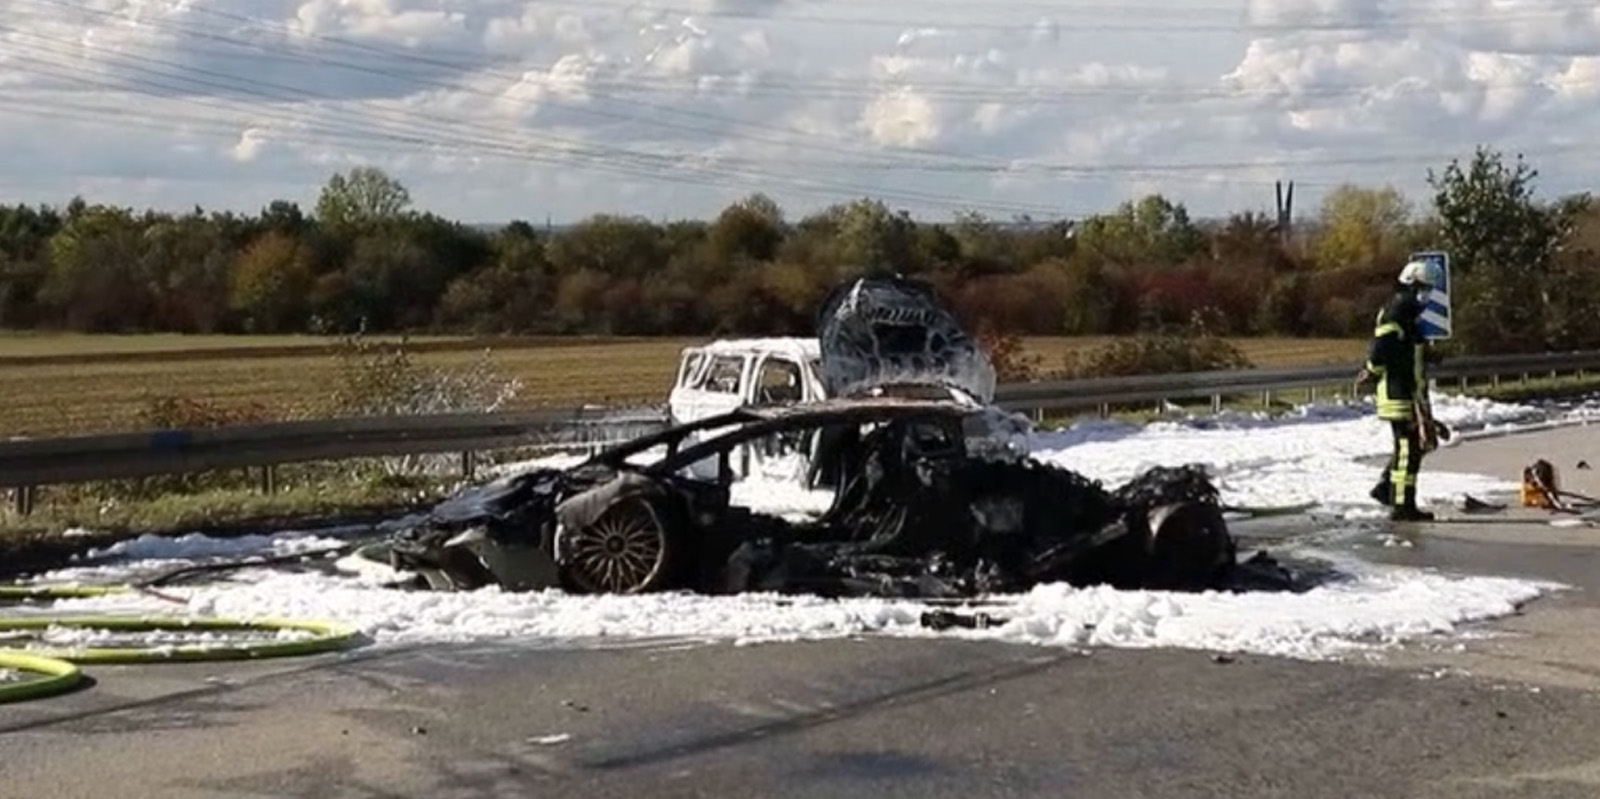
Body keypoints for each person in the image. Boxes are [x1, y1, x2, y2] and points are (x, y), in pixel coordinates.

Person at [1357, 259, 1452, 521]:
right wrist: (1372, 370)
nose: (1426, 295)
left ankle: (1387, 490)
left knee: (1411, 448)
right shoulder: (1397, 311)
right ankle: (1402, 506)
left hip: (1410, 392)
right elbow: (1381, 349)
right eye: (1423, 288)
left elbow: (1408, 351)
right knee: (1408, 451)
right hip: (1398, 394)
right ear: (1410, 284)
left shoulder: (1409, 315)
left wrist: (1430, 356)